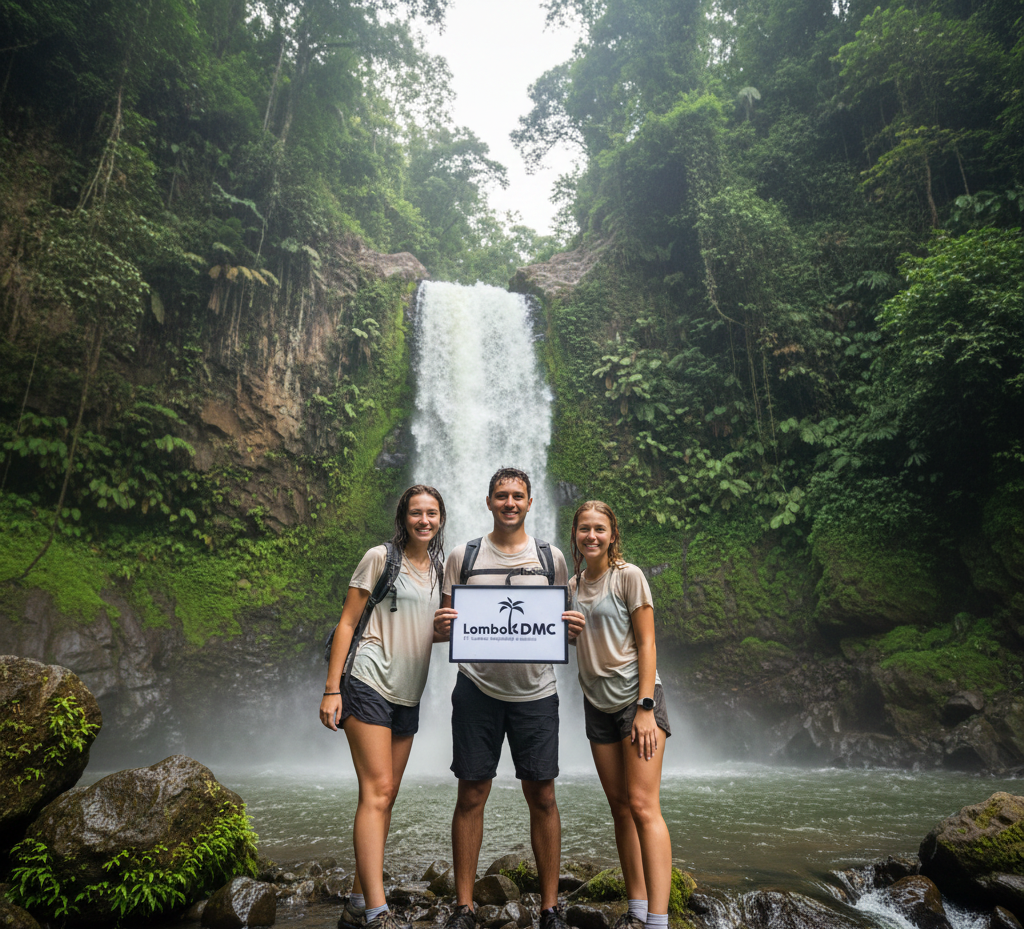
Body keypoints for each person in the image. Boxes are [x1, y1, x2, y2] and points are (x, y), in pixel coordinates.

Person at [433, 467, 584, 929]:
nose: (510, 503)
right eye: (502, 496)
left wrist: (572, 631)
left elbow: (565, 625)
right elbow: (445, 625)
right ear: (488, 501)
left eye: (518, 496)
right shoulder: (463, 555)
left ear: (530, 502)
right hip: (476, 689)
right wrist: (440, 630)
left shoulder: (551, 558)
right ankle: (463, 906)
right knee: (471, 792)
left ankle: (550, 907)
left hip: (537, 692)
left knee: (542, 794)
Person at [320, 485, 448, 929]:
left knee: (384, 794)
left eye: (432, 513)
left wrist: (447, 632)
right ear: (404, 517)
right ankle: (377, 913)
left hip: (408, 692)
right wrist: (332, 689)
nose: (425, 521)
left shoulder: (441, 569)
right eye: (417, 513)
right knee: (376, 792)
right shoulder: (380, 557)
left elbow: (424, 628)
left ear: (441, 519)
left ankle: (358, 901)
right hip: (367, 681)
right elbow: (347, 621)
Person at [563, 501, 673, 929]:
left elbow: (647, 643)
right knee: (620, 808)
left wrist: (646, 708)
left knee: (645, 806)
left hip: (636, 701)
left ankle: (658, 921)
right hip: (597, 704)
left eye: (600, 529)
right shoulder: (571, 585)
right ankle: (637, 908)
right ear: (574, 533)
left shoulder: (628, 576)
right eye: (585, 529)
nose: (592, 536)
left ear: (612, 534)